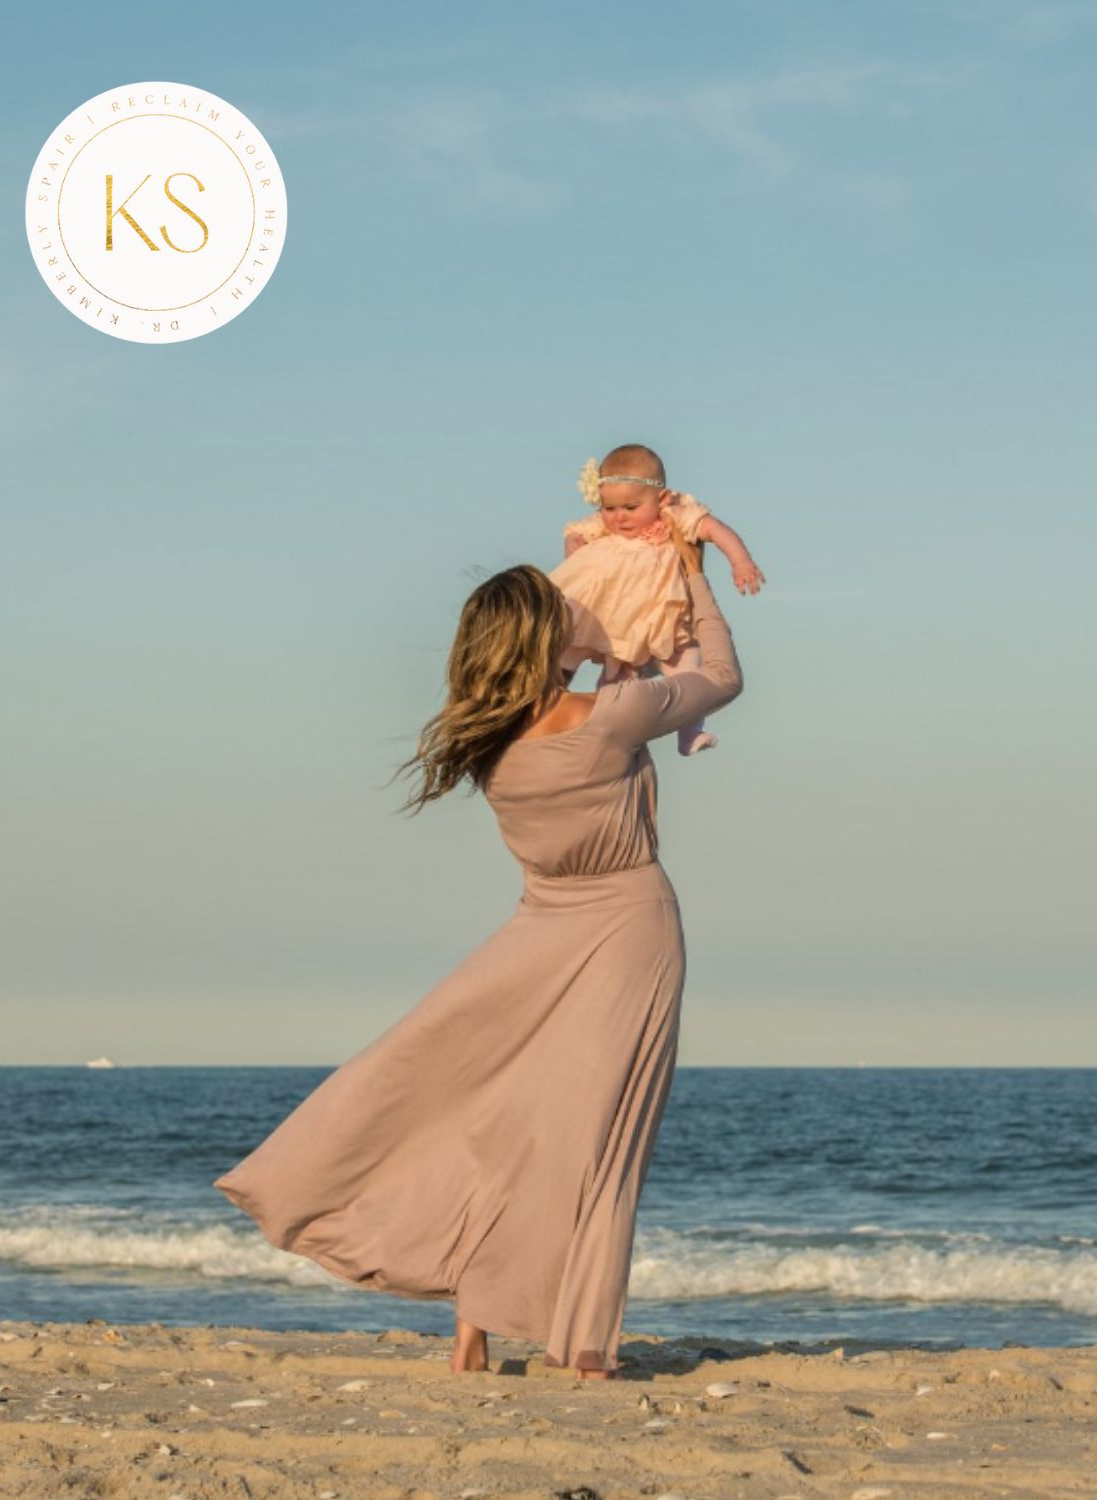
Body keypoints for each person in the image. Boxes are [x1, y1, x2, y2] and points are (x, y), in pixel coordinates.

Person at [212, 516, 743, 1379]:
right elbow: (722, 676)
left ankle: (476, 1329)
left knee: (502, 1123)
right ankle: (584, 1345)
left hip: (534, 931)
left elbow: (561, 669)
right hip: (628, 931)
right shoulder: (610, 717)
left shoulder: (488, 743)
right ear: (543, 639)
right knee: (599, 1141)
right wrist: (690, 580)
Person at [549, 442, 763, 756]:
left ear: (660, 498)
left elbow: (715, 530)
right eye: (609, 509)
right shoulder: (605, 527)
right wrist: (574, 545)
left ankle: (690, 731)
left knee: (686, 668)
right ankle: (598, 729)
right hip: (619, 620)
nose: (619, 517)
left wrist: (740, 560)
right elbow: (574, 532)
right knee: (614, 676)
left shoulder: (674, 515)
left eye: (630, 508)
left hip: (666, 615)